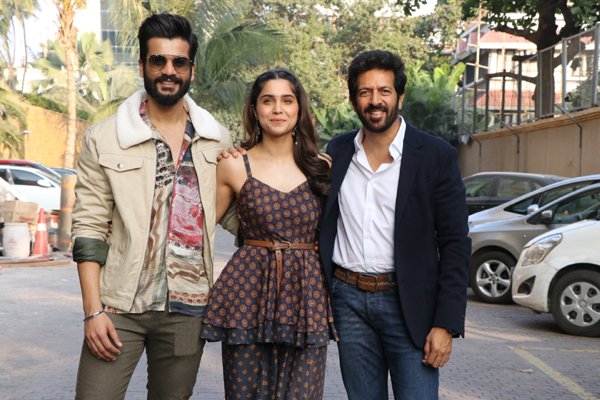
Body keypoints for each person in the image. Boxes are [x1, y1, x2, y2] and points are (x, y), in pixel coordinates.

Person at [71, 13, 238, 400]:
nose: (169, 71)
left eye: (179, 62)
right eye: (158, 60)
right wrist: (93, 312)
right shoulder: (104, 138)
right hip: (117, 307)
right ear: (144, 65)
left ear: (191, 69)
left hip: (188, 308)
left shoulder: (217, 140)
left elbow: (233, 214)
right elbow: (89, 229)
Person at [318, 50, 471, 399]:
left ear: (399, 96)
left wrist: (446, 323)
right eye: (365, 92)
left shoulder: (435, 155)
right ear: (354, 99)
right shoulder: (338, 151)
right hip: (348, 302)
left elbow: (455, 243)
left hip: (410, 305)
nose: (375, 101)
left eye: (384, 91)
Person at [200, 68, 337, 400]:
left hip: (308, 297)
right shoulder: (233, 164)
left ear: (299, 108)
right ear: (254, 110)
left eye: (287, 100)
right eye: (268, 101)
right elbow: (201, 233)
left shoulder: (322, 166)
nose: (278, 109)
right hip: (248, 293)